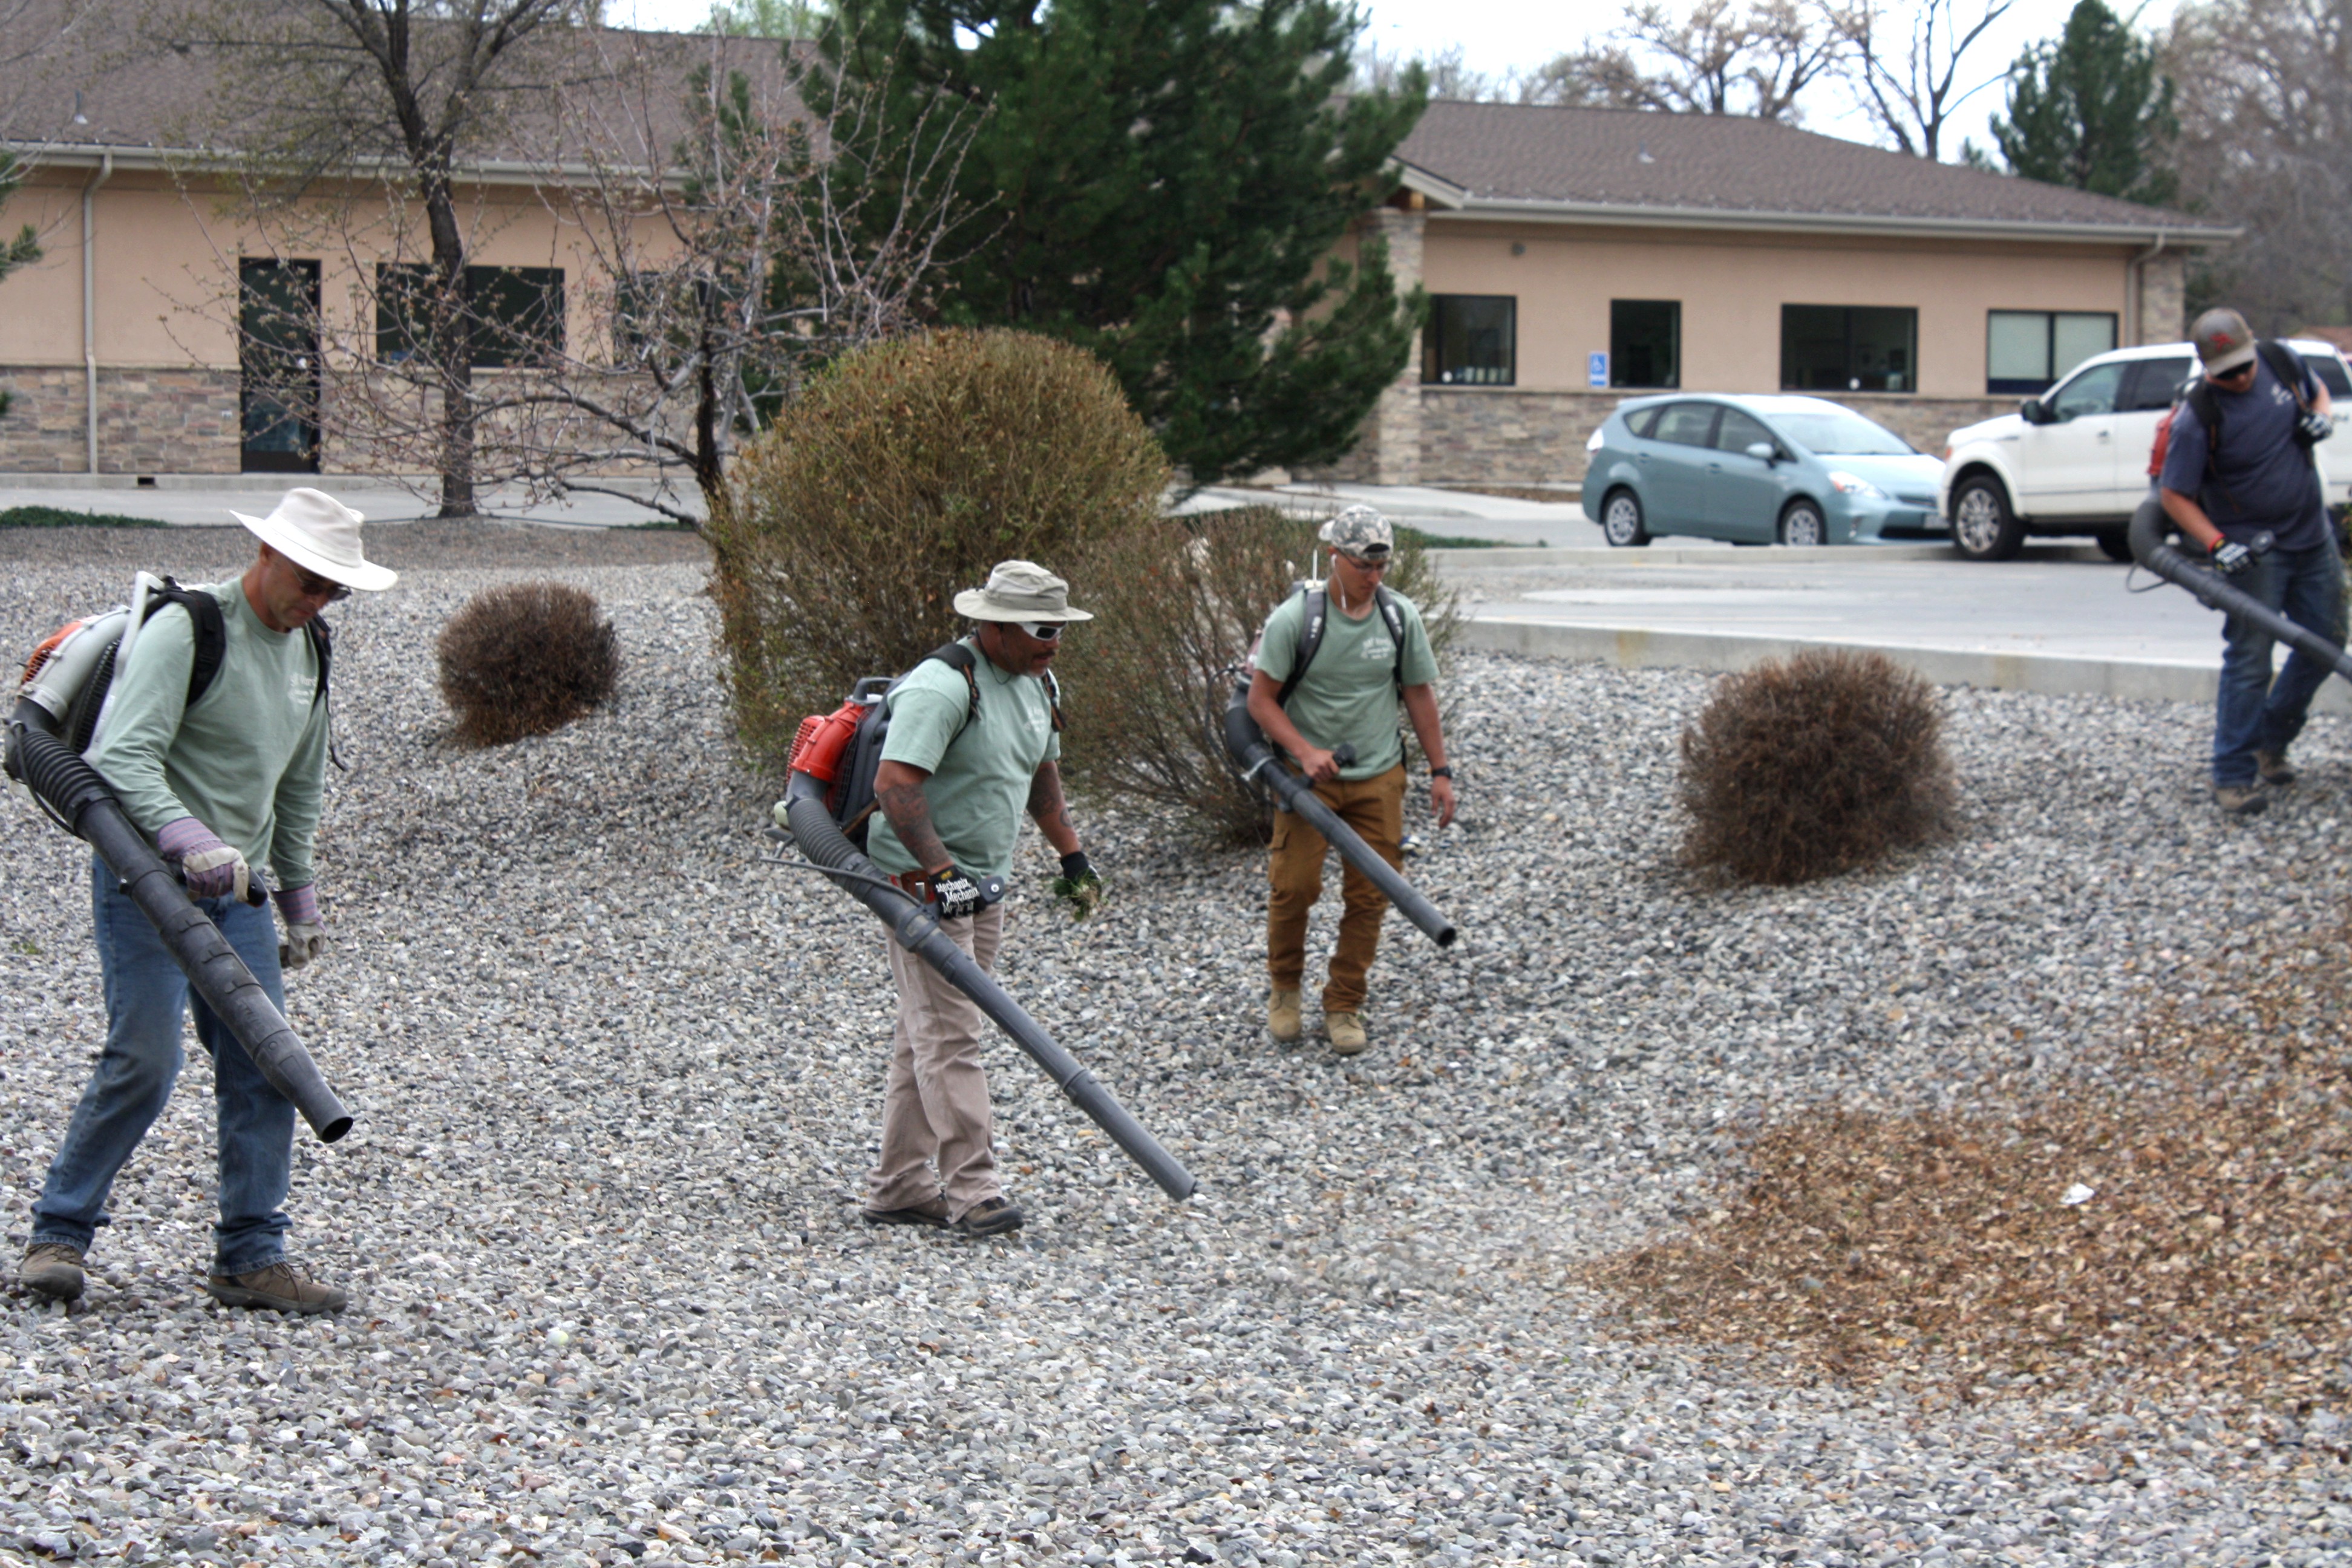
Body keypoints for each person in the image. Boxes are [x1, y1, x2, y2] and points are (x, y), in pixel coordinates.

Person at [19, 488, 395, 1312]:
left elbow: (297, 787)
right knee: (145, 1061)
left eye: (332, 590)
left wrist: (297, 898)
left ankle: (251, 1257)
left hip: (242, 896)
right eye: (307, 581)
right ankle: (58, 1237)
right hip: (147, 881)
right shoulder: (189, 629)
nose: (315, 600)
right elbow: (123, 757)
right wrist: (193, 842)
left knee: (266, 1070)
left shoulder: (311, 650)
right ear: (265, 555)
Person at [852, 560, 1103, 1237]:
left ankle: (899, 1185)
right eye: (1043, 628)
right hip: (920, 888)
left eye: (1061, 628)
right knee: (953, 1036)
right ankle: (974, 1190)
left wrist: (1071, 855)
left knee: (927, 1032)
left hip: (986, 886)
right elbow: (895, 783)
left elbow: (1041, 774)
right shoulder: (943, 686)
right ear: (995, 627)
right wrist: (938, 873)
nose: (1056, 641)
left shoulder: (1036, 682)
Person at [1246, 505, 1454, 1056]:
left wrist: (1441, 771)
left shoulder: (1399, 616)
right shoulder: (1297, 620)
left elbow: (1419, 695)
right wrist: (1305, 752)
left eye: (1382, 566)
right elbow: (1260, 702)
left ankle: (1344, 1000)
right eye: (1363, 565)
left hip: (1379, 777)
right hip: (1305, 782)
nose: (1374, 577)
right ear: (1335, 558)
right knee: (1294, 887)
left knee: (1371, 895)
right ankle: (1285, 989)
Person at [2158, 307, 2344, 815]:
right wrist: (2217, 544)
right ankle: (2233, 776)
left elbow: (2319, 394)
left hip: (2312, 537)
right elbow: (2174, 495)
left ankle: (2271, 739)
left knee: (2327, 644)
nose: (2238, 378)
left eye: (2243, 366)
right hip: (2255, 553)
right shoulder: (2200, 416)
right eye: (2226, 372)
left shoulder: (2282, 361)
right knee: (2249, 662)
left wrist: (2320, 419)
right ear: (2207, 366)